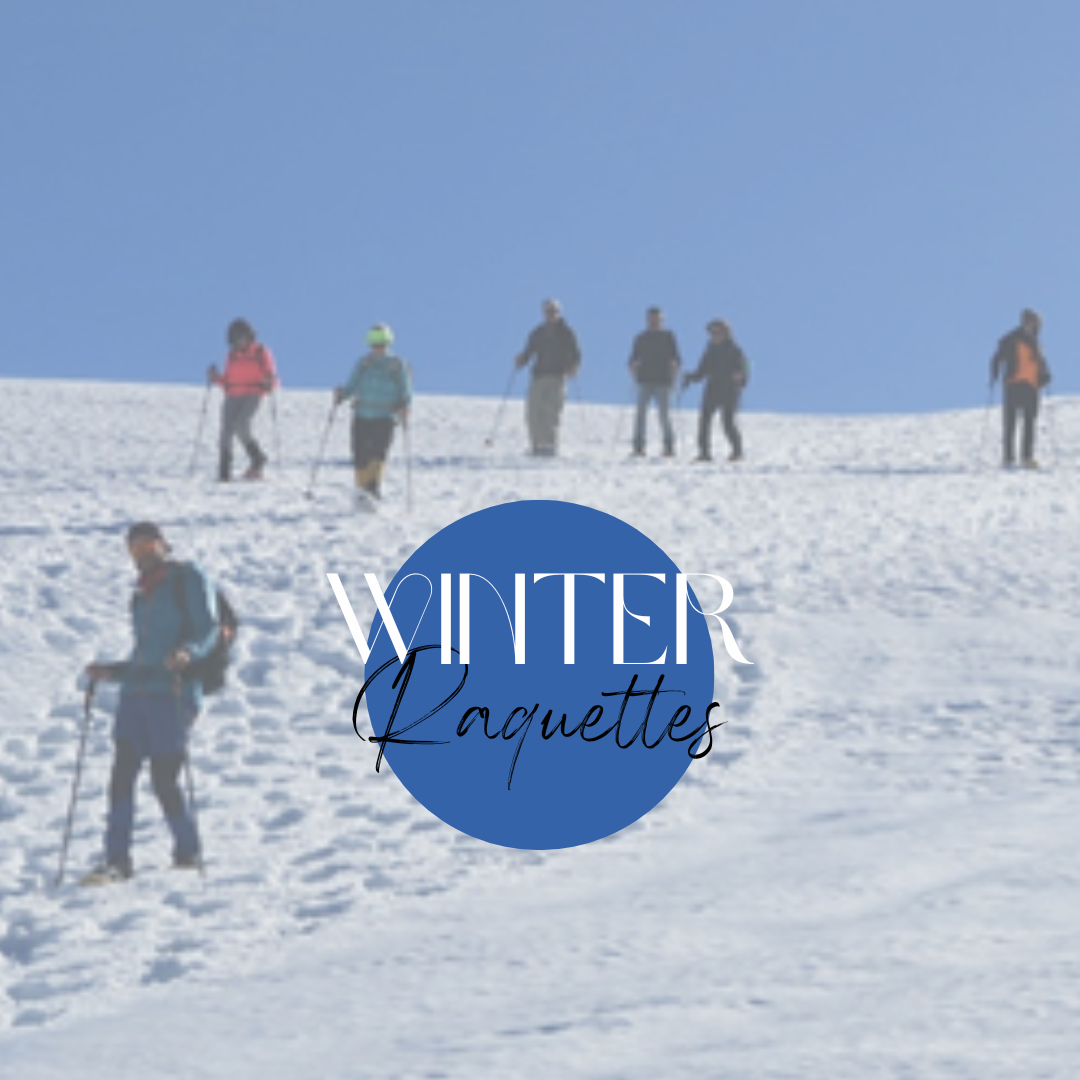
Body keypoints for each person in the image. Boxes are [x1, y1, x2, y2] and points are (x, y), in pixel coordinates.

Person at [82, 522, 218, 882]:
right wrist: (112, 672)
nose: (142, 555)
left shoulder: (186, 578)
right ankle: (117, 859)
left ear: (163, 545)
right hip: (137, 696)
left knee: (164, 779)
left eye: (148, 546)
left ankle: (188, 850)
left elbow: (207, 629)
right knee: (121, 775)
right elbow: (145, 657)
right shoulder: (140, 594)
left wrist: (187, 653)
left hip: (174, 693)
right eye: (135, 550)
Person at [334, 324, 412, 503]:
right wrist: (342, 395)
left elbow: (405, 389)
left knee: (378, 451)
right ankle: (361, 490)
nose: (378, 348)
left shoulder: (397, 365)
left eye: (382, 344)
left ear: (388, 343)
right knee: (360, 453)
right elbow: (352, 385)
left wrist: (405, 406)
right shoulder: (363, 364)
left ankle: (373, 488)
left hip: (385, 416)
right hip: (362, 414)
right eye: (375, 344)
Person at [207, 318, 278, 481]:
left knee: (241, 424)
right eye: (236, 339)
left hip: (254, 392)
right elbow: (228, 379)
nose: (239, 342)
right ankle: (224, 471)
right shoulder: (232, 356)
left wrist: (269, 382)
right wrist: (216, 378)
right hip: (233, 394)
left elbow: (270, 374)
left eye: (241, 337)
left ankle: (257, 457)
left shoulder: (261, 352)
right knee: (225, 431)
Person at [514, 299, 581, 456]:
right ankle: (536, 445)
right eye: (548, 311)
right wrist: (521, 360)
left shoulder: (567, 332)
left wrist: (574, 365)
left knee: (552, 412)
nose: (551, 314)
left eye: (554, 311)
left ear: (559, 312)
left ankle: (550, 445)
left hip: (558, 376)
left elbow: (576, 352)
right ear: (543, 313)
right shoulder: (537, 333)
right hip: (539, 376)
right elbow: (529, 352)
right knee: (533, 412)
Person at [990, 308, 1051, 468]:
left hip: (1032, 386)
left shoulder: (1036, 344)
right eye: (1033, 321)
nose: (1035, 325)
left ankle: (1027, 457)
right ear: (1025, 321)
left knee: (1030, 422)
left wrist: (1045, 375)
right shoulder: (1012, 338)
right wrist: (994, 371)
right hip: (1014, 383)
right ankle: (1008, 457)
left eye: (1037, 323)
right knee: (1011, 422)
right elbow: (998, 355)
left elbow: (1041, 364)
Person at [682, 319, 749, 463]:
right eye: (712, 333)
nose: (714, 335)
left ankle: (737, 451)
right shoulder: (710, 351)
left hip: (729, 390)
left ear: (726, 333)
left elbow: (743, 369)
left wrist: (740, 378)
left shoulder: (734, 350)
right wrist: (690, 378)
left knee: (727, 422)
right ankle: (704, 453)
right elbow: (702, 371)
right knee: (704, 420)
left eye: (718, 332)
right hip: (712, 388)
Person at [628, 306, 681, 457]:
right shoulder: (641, 338)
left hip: (663, 380)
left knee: (664, 415)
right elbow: (633, 357)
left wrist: (673, 368)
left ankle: (669, 446)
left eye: (657, 319)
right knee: (640, 414)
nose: (654, 322)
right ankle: (638, 446)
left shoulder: (668, 337)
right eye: (651, 319)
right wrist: (633, 366)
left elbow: (676, 357)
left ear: (661, 320)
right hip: (645, 380)